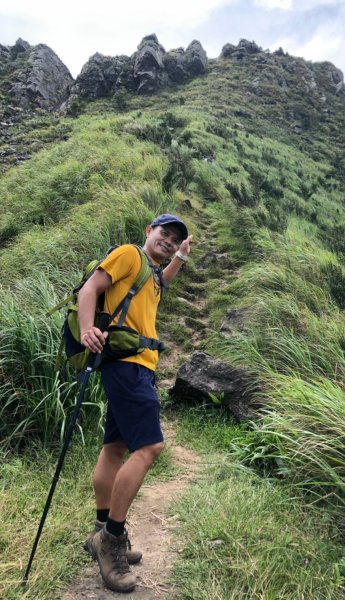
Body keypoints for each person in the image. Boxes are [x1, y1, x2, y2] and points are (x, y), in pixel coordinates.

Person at [78, 214, 192, 593]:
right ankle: (111, 538)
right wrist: (86, 329)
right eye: (165, 234)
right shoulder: (129, 254)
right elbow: (90, 288)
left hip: (133, 366)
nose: (170, 241)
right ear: (149, 232)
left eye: (176, 239)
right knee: (149, 446)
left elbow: (164, 281)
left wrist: (181, 258)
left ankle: (99, 528)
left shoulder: (153, 275)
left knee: (115, 446)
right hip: (127, 365)